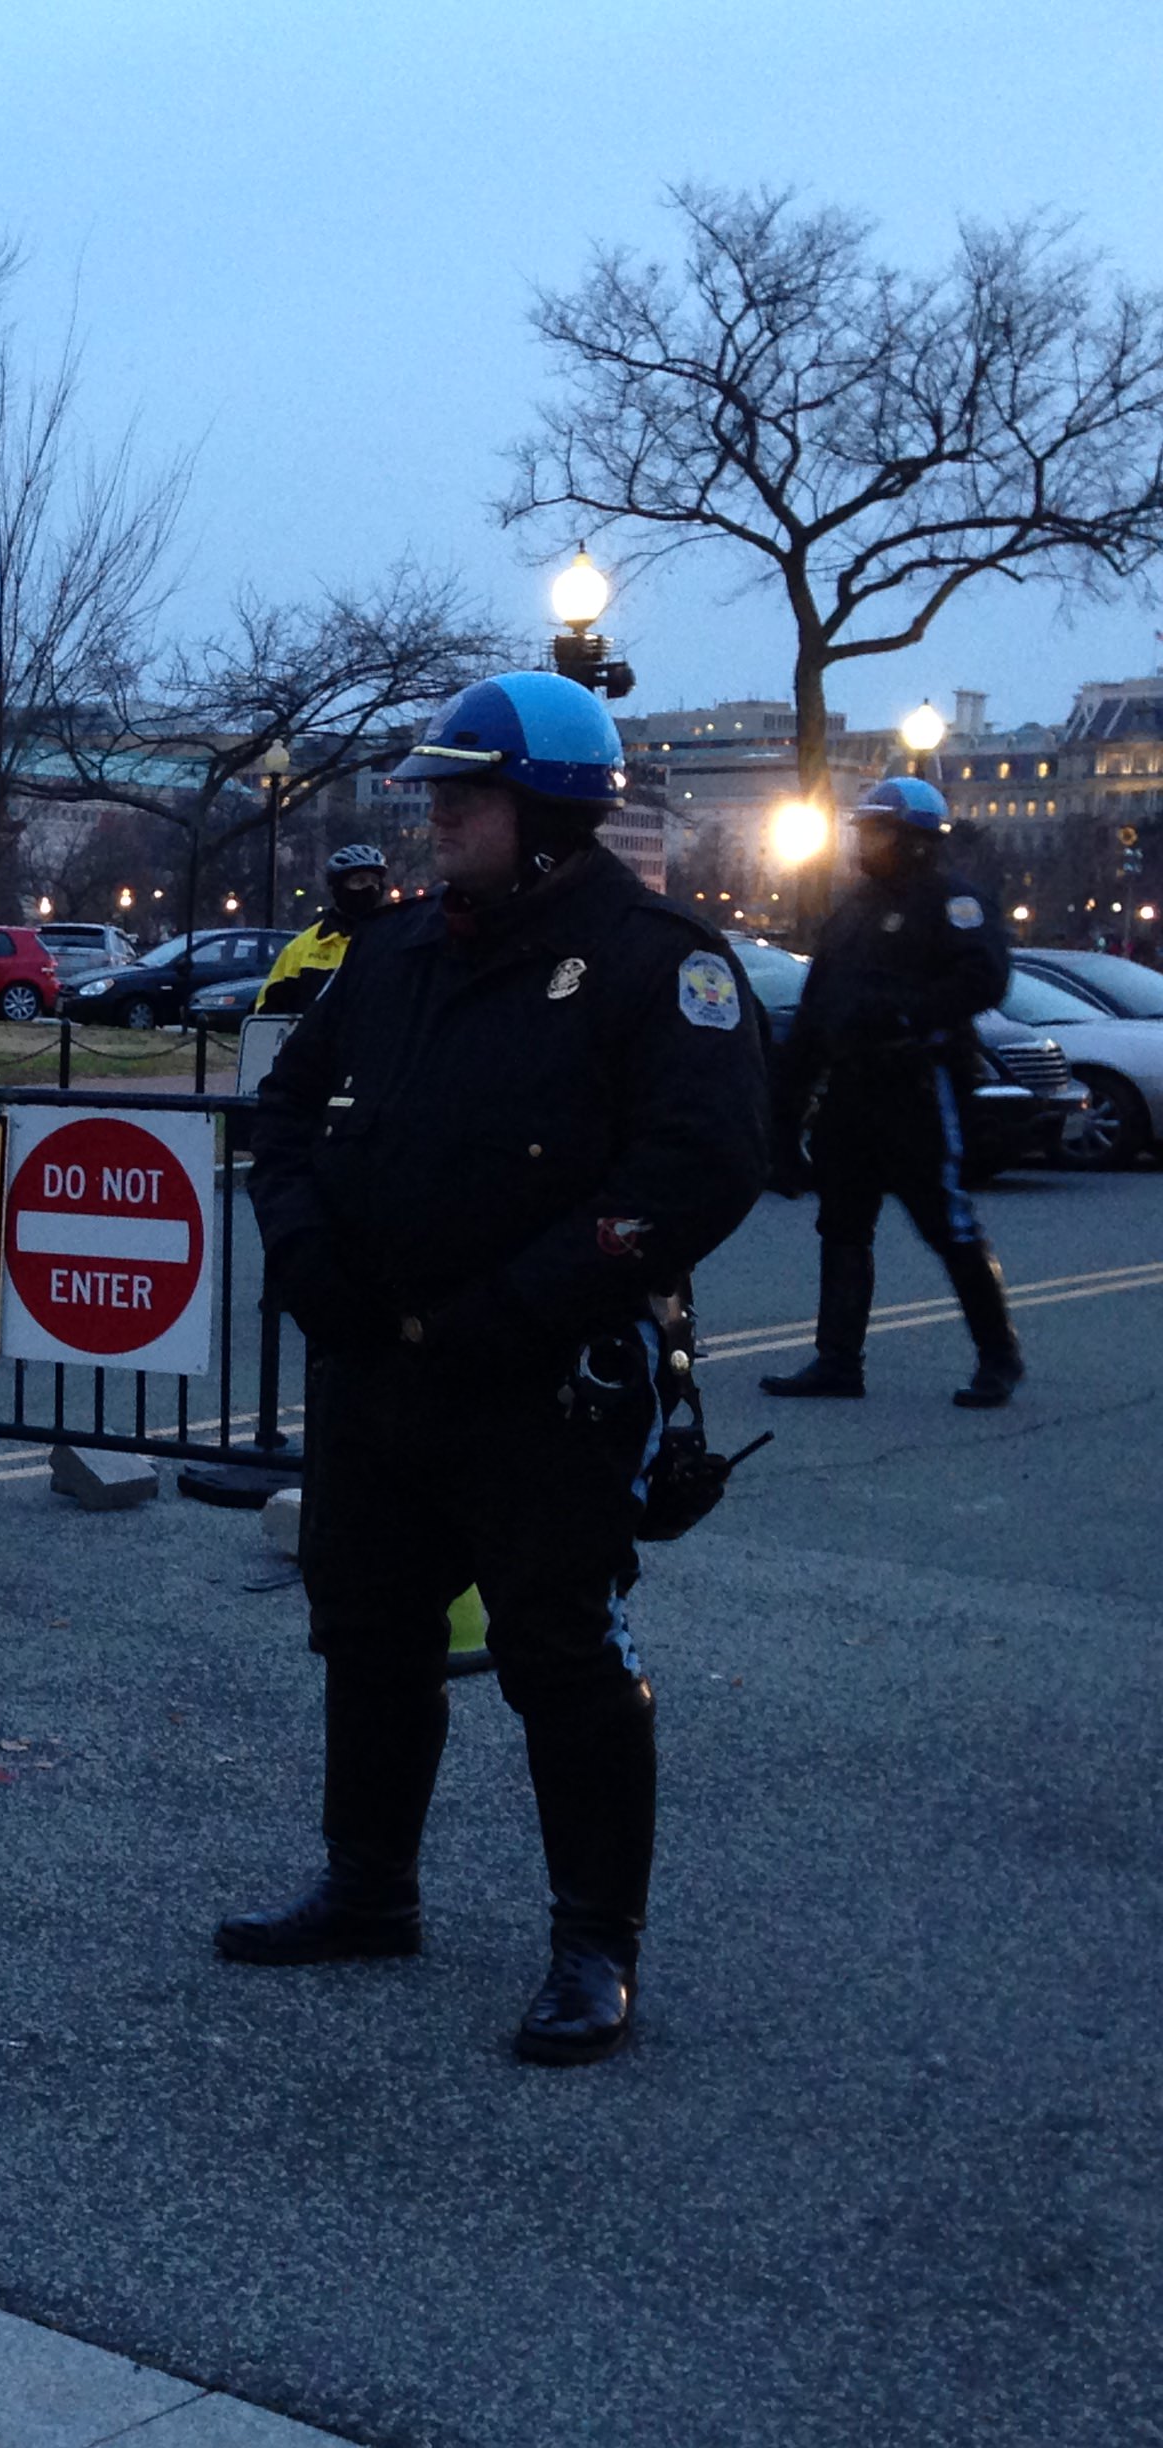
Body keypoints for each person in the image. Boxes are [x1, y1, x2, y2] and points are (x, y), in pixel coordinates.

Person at [232, 670, 771, 2066]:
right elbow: (280, 1117)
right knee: (366, 1627)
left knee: (559, 1652)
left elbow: (698, 1169)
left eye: (461, 795)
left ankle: (595, 1945)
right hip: (376, 1364)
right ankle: (369, 1890)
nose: (433, 818)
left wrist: (515, 1305)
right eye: (433, 794)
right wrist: (306, 1261)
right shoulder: (394, 954)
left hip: (540, 1379)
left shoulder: (659, 960)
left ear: (545, 811)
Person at [758, 775, 1023, 1409]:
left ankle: (998, 1357)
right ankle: (837, 1360)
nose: (863, 840)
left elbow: (984, 978)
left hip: (919, 1085)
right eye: (863, 828)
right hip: (852, 1090)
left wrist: (904, 1014)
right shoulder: (852, 910)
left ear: (916, 840)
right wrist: (783, 1115)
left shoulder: (953, 901)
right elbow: (820, 1008)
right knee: (842, 1225)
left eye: (877, 830)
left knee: (949, 1224)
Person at [254, 844, 391, 1014]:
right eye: (360, 881)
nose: (370, 889)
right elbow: (266, 1014)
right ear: (338, 888)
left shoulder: (395, 940)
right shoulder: (300, 949)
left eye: (375, 882)